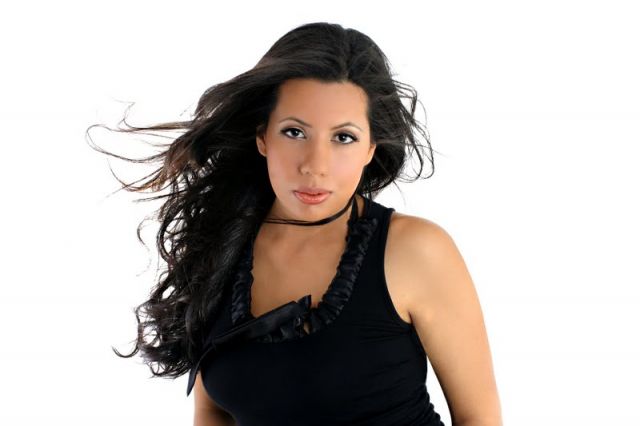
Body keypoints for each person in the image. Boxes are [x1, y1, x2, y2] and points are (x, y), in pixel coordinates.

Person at [90, 22, 502, 426]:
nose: (314, 166)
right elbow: (213, 411)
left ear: (370, 148)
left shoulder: (415, 250)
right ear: (262, 137)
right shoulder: (220, 245)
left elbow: (479, 418)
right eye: (294, 132)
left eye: (343, 137)